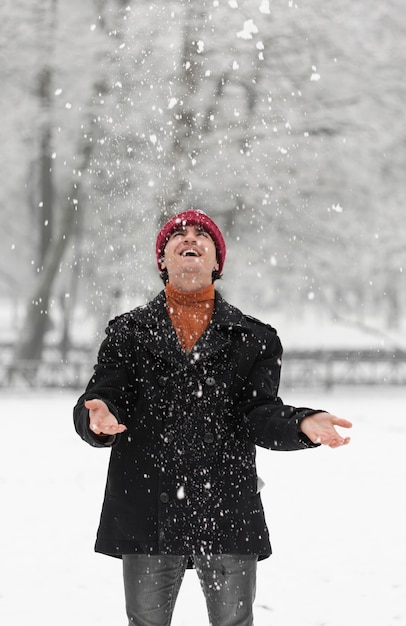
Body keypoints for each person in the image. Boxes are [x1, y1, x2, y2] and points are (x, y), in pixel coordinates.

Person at [73, 209, 352, 626]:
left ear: (217, 261)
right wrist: (95, 414)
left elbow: (259, 413)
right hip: (149, 506)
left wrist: (301, 423)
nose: (191, 238)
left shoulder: (254, 338)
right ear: (162, 260)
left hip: (225, 504)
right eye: (179, 235)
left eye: (202, 235)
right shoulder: (128, 332)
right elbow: (105, 395)